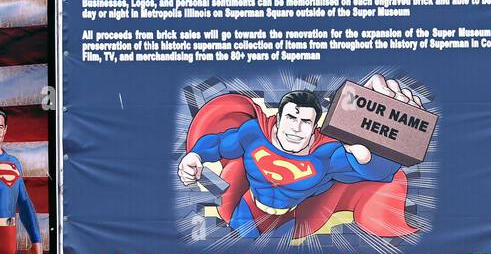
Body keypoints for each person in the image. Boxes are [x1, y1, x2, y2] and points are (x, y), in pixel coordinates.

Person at [178, 74, 419, 240]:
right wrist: (195, 156)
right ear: (279, 118)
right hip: (247, 211)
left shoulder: (327, 155)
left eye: (305, 121)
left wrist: (378, 150)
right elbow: (219, 143)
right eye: (291, 118)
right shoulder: (253, 134)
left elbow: (378, 173)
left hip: (290, 221)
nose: (296, 128)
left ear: (315, 127)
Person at [0, 109, 44, 254]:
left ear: (4, 129)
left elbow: (24, 203)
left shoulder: (14, 163)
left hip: (8, 240)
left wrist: (36, 240)